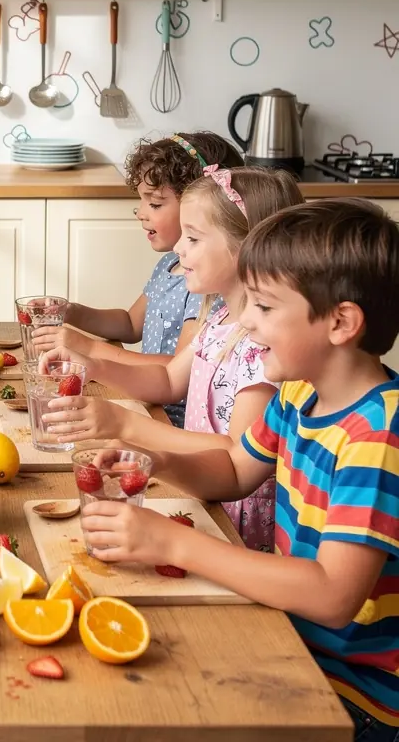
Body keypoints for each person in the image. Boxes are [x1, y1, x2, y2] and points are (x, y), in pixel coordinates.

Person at [77, 199, 399, 739]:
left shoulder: (378, 434)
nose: (245, 321)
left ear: (341, 322)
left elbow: (332, 596)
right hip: (289, 637)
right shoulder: (299, 394)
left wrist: (172, 543)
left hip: (351, 696)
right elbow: (233, 468)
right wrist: (155, 461)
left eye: (265, 307)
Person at [40, 165, 303, 551]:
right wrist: (94, 365)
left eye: (193, 238)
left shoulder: (262, 350)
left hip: (234, 521)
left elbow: (233, 456)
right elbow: (167, 381)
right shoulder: (219, 317)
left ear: (248, 248)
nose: (179, 248)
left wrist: (124, 423)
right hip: (197, 492)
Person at [33, 131, 243, 427]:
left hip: (170, 419)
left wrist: (88, 347)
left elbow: (175, 370)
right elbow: (131, 324)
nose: (141, 213)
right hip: (144, 400)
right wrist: (71, 312)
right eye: (141, 201)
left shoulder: (205, 288)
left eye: (155, 204)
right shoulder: (169, 264)